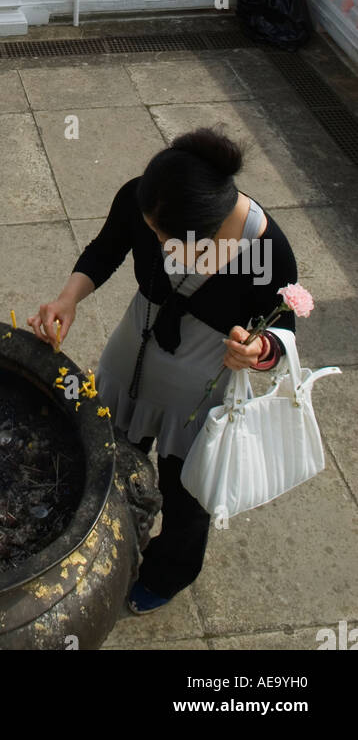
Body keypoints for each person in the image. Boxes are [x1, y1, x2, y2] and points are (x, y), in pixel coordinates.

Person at [29, 128, 298, 615]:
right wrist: (67, 299)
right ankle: (98, 540)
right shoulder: (145, 197)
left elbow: (284, 332)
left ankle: (168, 571)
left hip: (200, 382)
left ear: (209, 228)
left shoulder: (264, 249)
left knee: (185, 492)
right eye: (151, 229)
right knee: (102, 453)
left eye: (163, 236)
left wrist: (257, 349)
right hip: (135, 344)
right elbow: (106, 249)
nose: (152, 240)